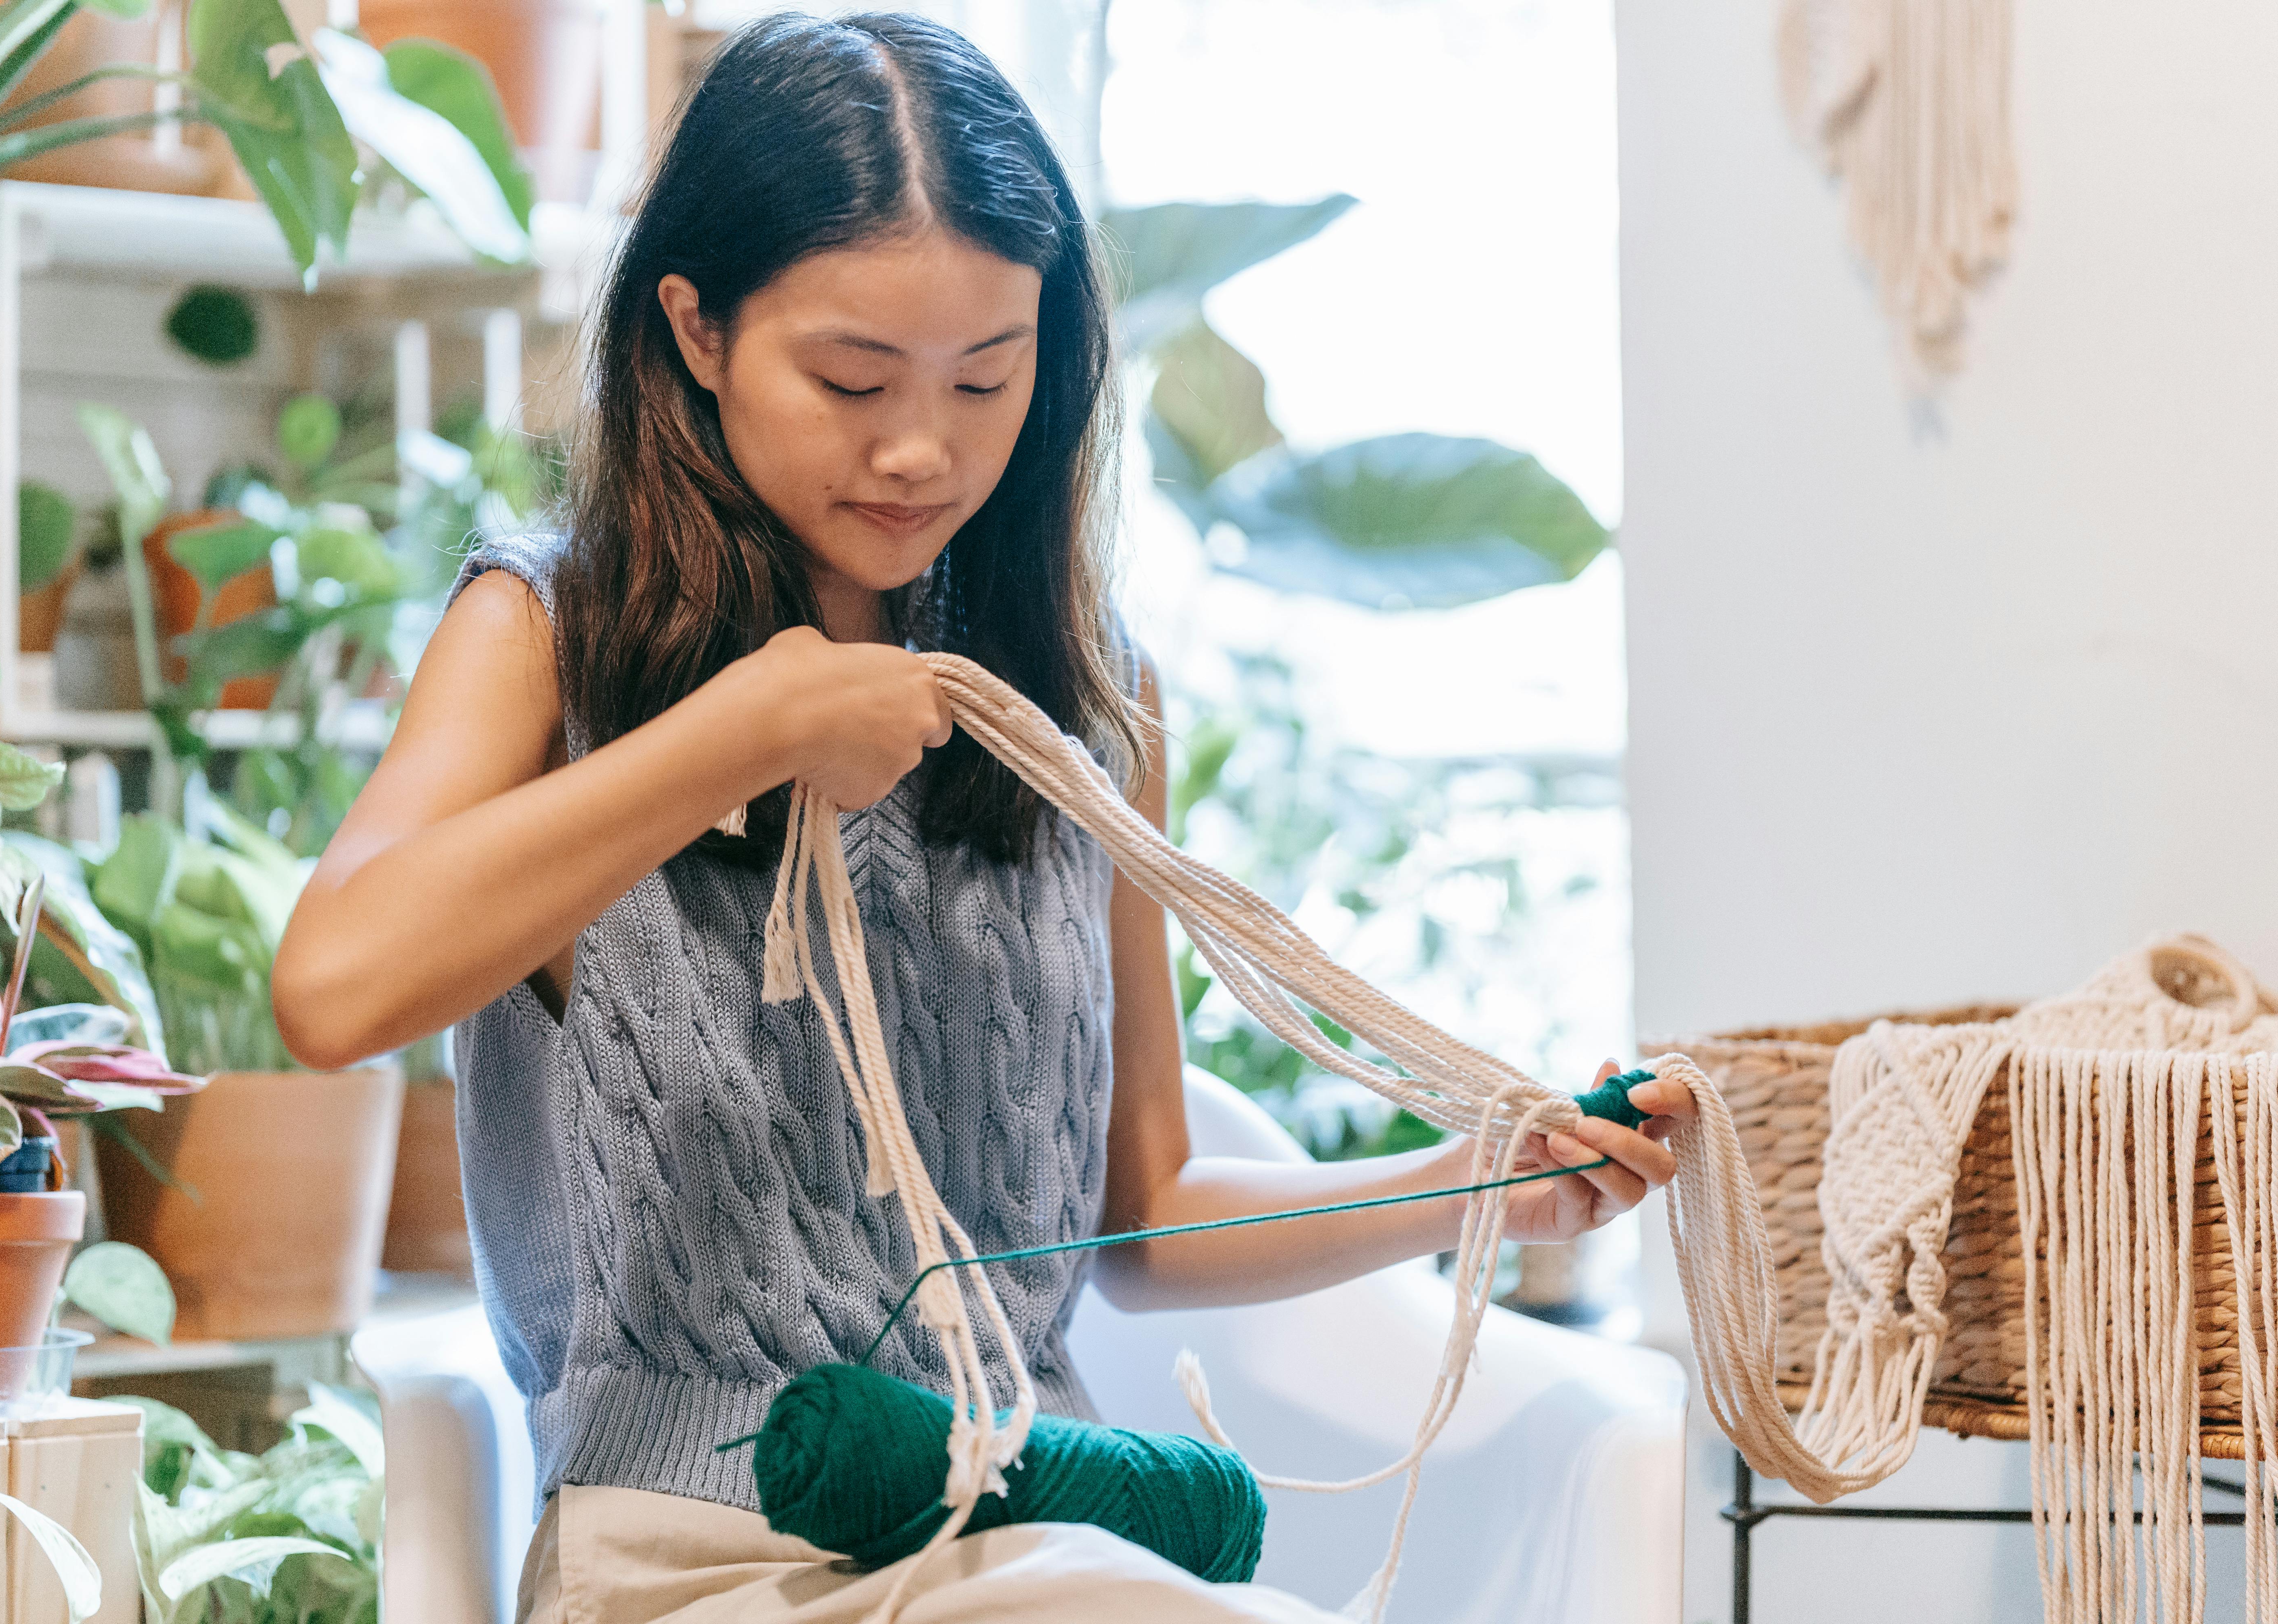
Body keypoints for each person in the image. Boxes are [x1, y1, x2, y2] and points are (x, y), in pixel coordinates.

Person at [272, 13, 1694, 1621]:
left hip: (1028, 1531)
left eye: (986, 377)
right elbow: (334, 988)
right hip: (692, 1563)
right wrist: (738, 728)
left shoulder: (1086, 706)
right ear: (697, 327)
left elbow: (1137, 1208)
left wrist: (1480, 1183)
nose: (920, 447)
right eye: (852, 376)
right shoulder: (549, 637)